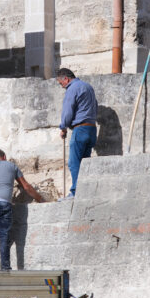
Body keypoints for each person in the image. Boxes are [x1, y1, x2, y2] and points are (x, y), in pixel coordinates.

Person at [0, 149, 44, 270]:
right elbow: (26, 186)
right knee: (4, 237)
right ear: (4, 156)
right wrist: (40, 198)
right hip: (4, 203)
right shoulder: (11, 166)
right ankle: (5, 268)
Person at [57, 68, 98, 199]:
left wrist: (63, 127)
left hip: (80, 129)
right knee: (85, 163)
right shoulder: (88, 87)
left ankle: (76, 192)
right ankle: (85, 191)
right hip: (91, 128)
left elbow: (68, 110)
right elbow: (95, 106)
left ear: (66, 79)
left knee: (74, 163)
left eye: (61, 83)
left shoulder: (72, 89)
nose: (62, 86)